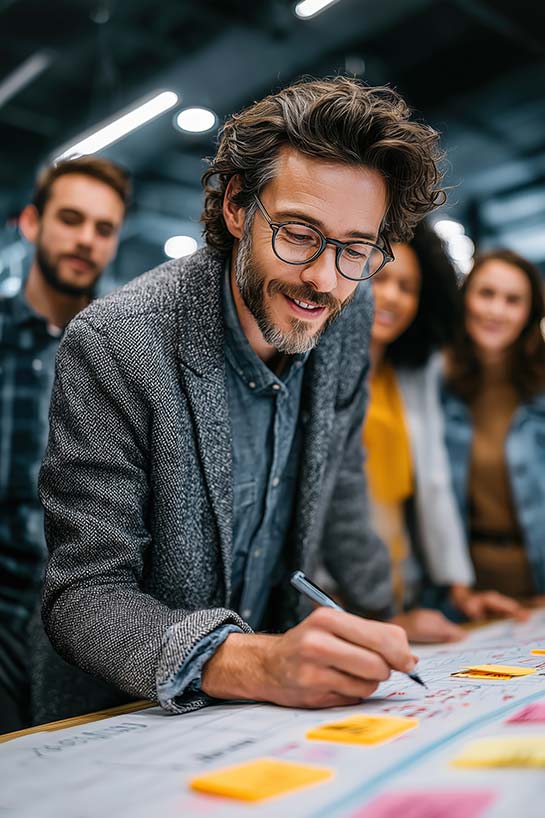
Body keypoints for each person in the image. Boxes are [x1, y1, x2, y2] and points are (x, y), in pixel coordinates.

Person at [33, 77, 445, 724]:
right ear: (235, 206)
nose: (323, 278)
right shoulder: (117, 342)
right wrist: (258, 663)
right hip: (123, 716)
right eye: (299, 233)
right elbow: (84, 597)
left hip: (262, 719)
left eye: (355, 248)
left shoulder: (351, 313)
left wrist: (388, 615)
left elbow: (339, 485)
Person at [0, 156, 129, 733]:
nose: (86, 240)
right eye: (70, 220)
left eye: (103, 228)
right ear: (32, 223)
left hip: (89, 625)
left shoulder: (126, 356)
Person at [363, 225, 523, 644]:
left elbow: (432, 487)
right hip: (339, 597)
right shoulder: (317, 377)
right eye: (380, 279)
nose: (393, 297)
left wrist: (457, 590)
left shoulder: (410, 377)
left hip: (402, 590)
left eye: (408, 288)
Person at [443, 249, 545, 604]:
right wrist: (457, 594)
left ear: (530, 312)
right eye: (486, 293)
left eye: (513, 300)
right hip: (464, 594)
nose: (496, 311)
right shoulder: (436, 386)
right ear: (466, 298)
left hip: (538, 583)